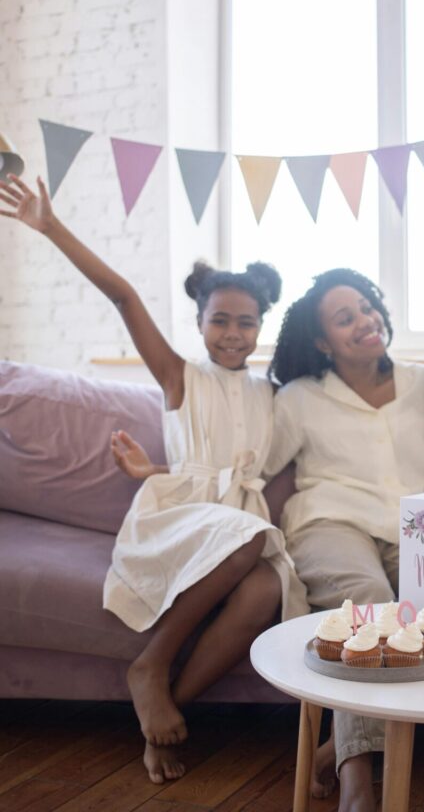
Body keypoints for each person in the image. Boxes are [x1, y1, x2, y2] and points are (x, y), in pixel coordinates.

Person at [0, 173, 307, 785]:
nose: (232, 334)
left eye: (246, 323)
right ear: (199, 323)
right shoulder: (178, 377)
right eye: (220, 320)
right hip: (181, 519)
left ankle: (163, 710)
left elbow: (239, 471)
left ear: (261, 328)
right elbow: (123, 297)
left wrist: (154, 466)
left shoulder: (273, 394)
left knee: (265, 589)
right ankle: (153, 661)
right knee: (248, 534)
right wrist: (51, 226)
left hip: (234, 521)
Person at [266, 267, 424, 812]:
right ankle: (357, 778)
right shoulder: (299, 397)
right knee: (369, 609)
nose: (364, 321)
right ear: (323, 341)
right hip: (332, 521)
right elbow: (256, 469)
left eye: (368, 307)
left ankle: (334, 748)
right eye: (344, 318)